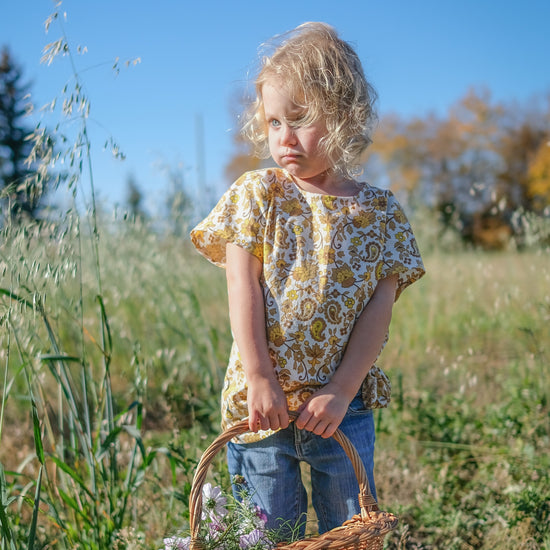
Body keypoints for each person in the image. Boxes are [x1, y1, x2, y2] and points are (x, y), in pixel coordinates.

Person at [190, 21, 425, 537]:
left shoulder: (379, 213)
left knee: (348, 530)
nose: (284, 137)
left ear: (343, 116)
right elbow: (241, 286)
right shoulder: (257, 194)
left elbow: (378, 311)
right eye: (274, 122)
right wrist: (258, 376)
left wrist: (342, 389)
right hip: (263, 405)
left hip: (340, 409)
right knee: (273, 530)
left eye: (299, 119)